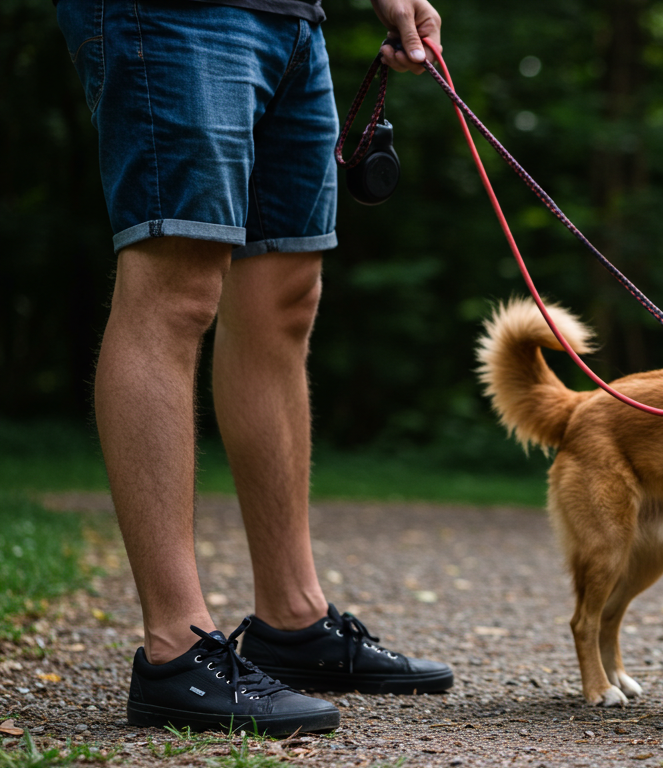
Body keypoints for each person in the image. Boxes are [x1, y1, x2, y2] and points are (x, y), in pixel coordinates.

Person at [55, 0, 450, 735]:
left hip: (294, 19)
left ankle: (292, 621)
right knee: (176, 288)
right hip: (175, 15)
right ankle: (175, 650)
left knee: (285, 298)